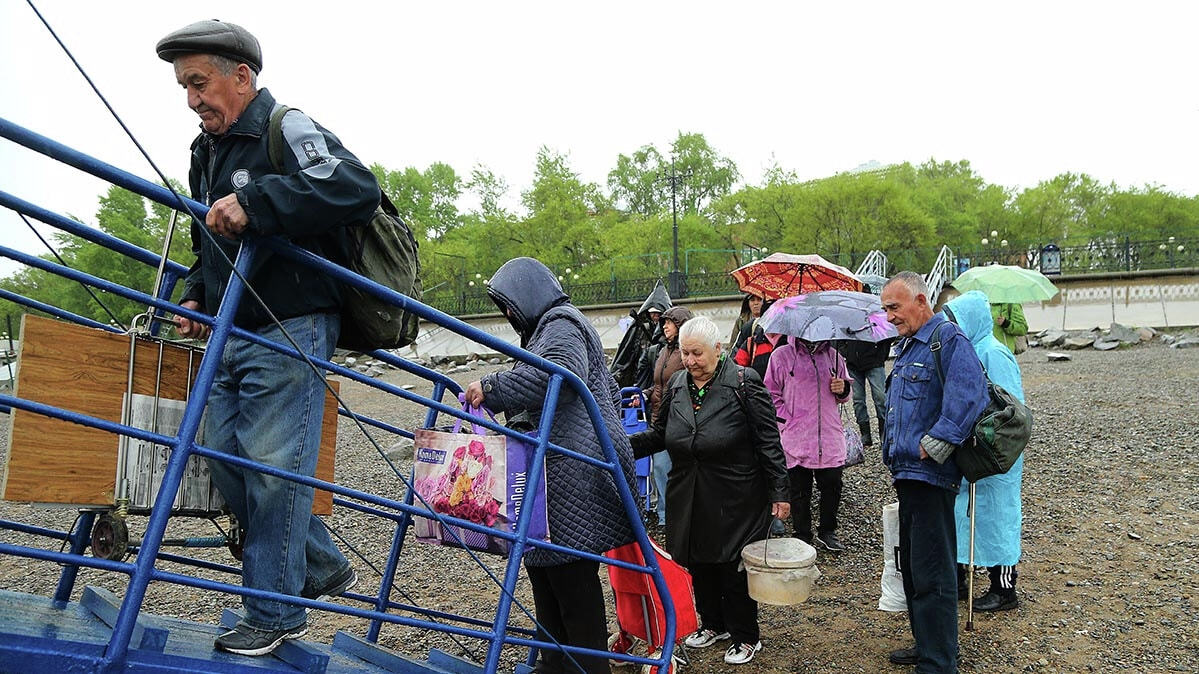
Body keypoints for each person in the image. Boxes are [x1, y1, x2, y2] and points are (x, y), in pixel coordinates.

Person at [157, 19, 378, 656]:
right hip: (230, 329)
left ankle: (276, 612)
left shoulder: (286, 126)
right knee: (226, 462)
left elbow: (354, 186)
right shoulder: (206, 152)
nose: (193, 99)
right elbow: (208, 238)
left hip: (291, 324)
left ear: (242, 78)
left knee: (275, 474)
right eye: (184, 87)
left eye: (200, 83)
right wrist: (196, 291)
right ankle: (318, 562)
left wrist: (261, 203)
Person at [464, 257, 636, 674]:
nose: (508, 314)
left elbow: (559, 376)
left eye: (509, 305)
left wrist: (491, 388)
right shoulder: (553, 328)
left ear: (527, 294)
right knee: (547, 571)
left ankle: (585, 667)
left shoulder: (560, 323)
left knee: (570, 579)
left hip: (569, 475)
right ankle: (554, 662)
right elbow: (608, 389)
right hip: (561, 470)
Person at [630, 316, 790, 666]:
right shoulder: (676, 385)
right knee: (696, 560)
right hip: (688, 491)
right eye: (685, 354)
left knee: (733, 565)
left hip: (736, 493)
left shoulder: (744, 384)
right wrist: (623, 447)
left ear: (718, 350)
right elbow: (660, 435)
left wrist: (780, 492)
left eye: (697, 354)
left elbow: (769, 442)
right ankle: (713, 623)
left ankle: (746, 635)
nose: (689, 361)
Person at [879, 272, 988, 673]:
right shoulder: (910, 345)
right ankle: (929, 645)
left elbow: (970, 393)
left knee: (933, 571)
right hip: (908, 473)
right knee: (913, 567)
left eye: (895, 307)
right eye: (886, 309)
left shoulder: (949, 340)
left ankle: (940, 661)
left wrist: (937, 442)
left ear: (921, 301)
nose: (889, 316)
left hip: (930, 475)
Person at [945, 291, 1026, 612]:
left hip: (996, 452)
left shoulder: (994, 353)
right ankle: (959, 576)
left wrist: (982, 430)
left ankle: (1004, 588)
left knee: (997, 518)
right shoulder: (971, 351)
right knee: (962, 515)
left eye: (958, 322)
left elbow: (1010, 409)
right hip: (973, 449)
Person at [763, 338, 852, 551]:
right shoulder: (781, 356)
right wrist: (786, 421)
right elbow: (770, 393)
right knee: (799, 489)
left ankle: (827, 531)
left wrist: (843, 388)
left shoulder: (834, 356)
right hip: (797, 436)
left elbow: (845, 394)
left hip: (828, 435)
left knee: (832, 485)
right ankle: (802, 534)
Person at [645, 306, 693, 528]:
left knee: (671, 468)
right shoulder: (662, 351)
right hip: (659, 419)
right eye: (663, 322)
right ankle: (666, 516)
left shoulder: (687, 352)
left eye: (669, 322)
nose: (664, 326)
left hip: (680, 421)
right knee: (660, 469)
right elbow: (658, 384)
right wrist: (645, 394)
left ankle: (679, 515)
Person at [610, 280, 671, 388]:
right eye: (653, 313)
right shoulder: (640, 329)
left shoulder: (668, 331)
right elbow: (628, 351)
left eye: (658, 313)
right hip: (642, 371)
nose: (656, 316)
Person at [836, 336, 895, 447]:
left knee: (881, 398)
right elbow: (838, 338)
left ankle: (884, 433)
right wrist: (847, 352)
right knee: (858, 400)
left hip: (874, 361)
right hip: (853, 364)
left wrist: (881, 353)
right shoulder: (847, 319)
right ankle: (865, 434)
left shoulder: (875, 319)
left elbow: (889, 335)